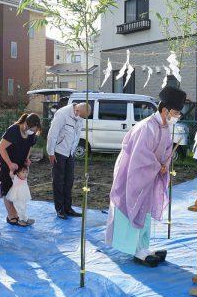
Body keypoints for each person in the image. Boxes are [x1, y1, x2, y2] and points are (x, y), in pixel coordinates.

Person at [104, 86, 186, 267]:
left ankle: (143, 246)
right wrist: (158, 166)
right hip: (133, 173)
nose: (177, 116)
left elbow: (165, 151)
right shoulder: (147, 127)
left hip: (150, 174)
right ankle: (135, 249)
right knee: (134, 206)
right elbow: (140, 155)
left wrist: (164, 163)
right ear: (165, 110)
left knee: (146, 209)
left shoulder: (164, 127)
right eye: (175, 112)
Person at [46, 102, 92, 219]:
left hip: (70, 153)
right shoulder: (62, 114)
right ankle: (60, 209)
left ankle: (68, 208)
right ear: (77, 110)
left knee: (69, 181)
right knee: (59, 181)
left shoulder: (79, 117)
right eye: (81, 116)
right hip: (59, 152)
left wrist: (73, 151)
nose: (81, 119)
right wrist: (51, 152)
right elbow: (52, 134)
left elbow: (76, 136)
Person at [0, 113, 42, 227]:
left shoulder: (31, 134)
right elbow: (1, 147)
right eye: (31, 129)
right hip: (7, 163)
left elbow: (29, 147)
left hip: (20, 164)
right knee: (7, 189)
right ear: (25, 124)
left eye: (34, 130)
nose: (32, 132)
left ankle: (18, 215)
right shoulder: (13, 130)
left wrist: (27, 159)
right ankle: (11, 216)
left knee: (17, 190)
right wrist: (9, 163)